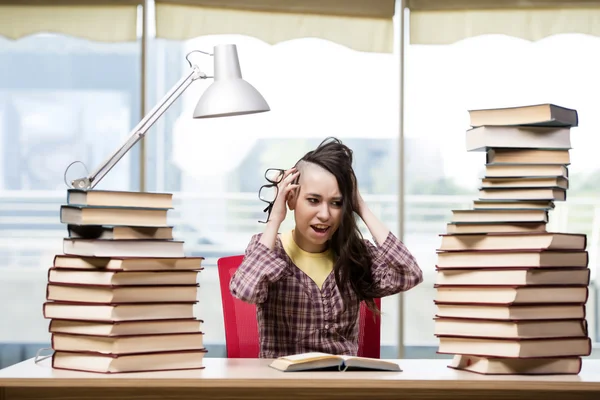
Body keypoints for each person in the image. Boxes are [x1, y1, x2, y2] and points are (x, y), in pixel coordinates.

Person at [229, 137, 423, 358]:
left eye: (336, 203)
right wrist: (275, 217)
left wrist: (361, 206)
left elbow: (410, 273)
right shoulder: (269, 249)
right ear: (291, 199)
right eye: (313, 200)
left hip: (340, 387)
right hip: (285, 387)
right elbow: (245, 290)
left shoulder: (355, 256)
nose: (325, 214)